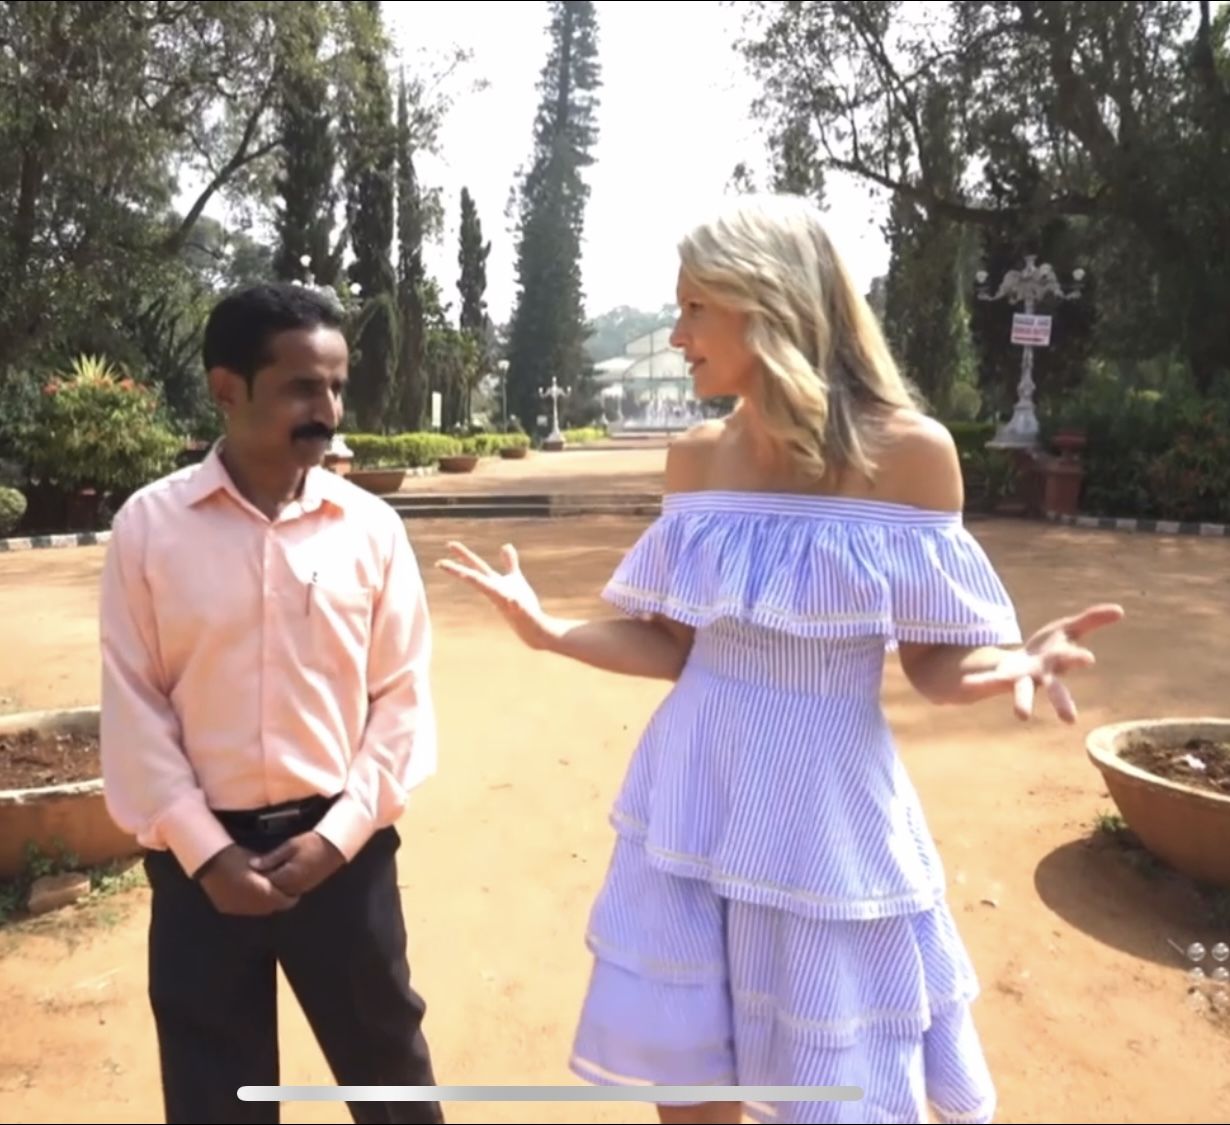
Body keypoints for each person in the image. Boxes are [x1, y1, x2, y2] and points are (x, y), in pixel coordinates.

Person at [437, 194, 1123, 1125]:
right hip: (694, 796)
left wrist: (1009, 663)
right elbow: (674, 644)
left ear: (768, 303)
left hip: (826, 815)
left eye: (694, 307)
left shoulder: (914, 456)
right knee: (693, 1084)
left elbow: (933, 663)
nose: (677, 335)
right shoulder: (695, 459)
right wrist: (547, 629)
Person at [98, 282, 444, 1125]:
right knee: (216, 1099)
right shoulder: (149, 529)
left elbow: (400, 697)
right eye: (301, 387)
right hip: (201, 874)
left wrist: (336, 837)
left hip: (342, 858)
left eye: (336, 386)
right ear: (227, 388)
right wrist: (208, 853)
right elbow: (136, 705)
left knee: (391, 1079)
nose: (327, 410)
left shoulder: (370, 529)